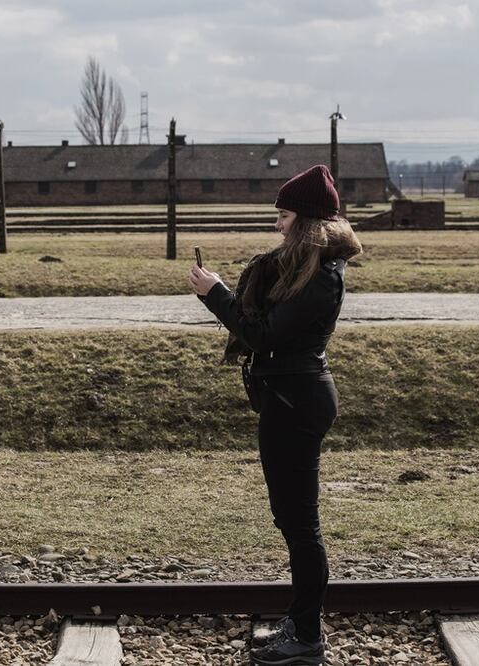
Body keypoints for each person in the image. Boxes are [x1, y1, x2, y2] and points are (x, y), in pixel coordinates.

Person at [188, 164, 362, 665]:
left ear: (305, 219)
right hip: (292, 398)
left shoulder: (321, 276)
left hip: (296, 403)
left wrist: (216, 295)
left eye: (283, 215)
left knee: (300, 524)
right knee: (292, 520)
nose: (276, 225)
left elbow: (263, 335)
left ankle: (307, 635)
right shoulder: (308, 267)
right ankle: (301, 622)